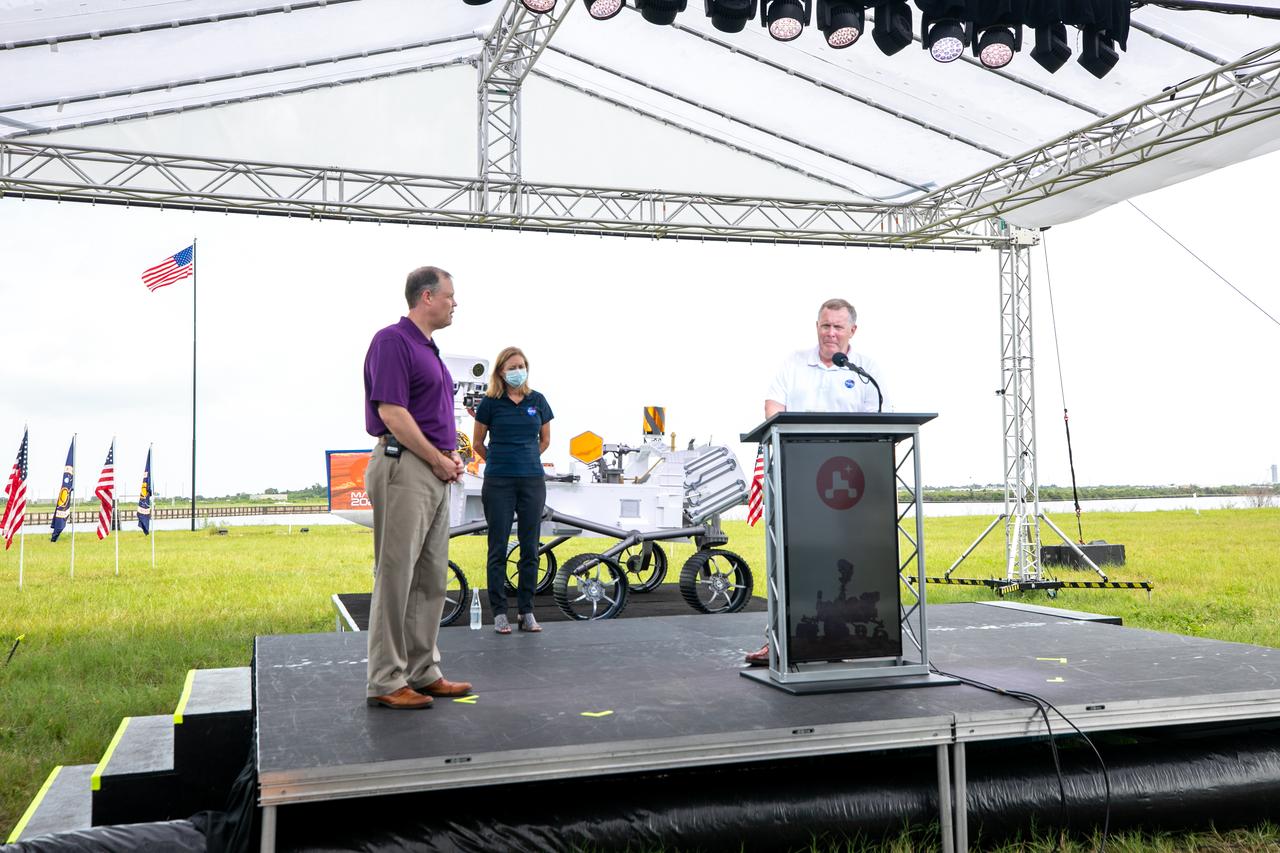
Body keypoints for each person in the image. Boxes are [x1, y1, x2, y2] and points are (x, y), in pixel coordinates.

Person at [745, 298, 889, 666]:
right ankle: (777, 641)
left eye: (838, 327)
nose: (831, 333)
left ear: (852, 331)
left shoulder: (865, 369)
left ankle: (841, 640)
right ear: (817, 327)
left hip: (848, 491)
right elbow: (772, 408)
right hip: (800, 480)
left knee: (846, 565)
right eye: (825, 325)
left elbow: (874, 423)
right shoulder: (795, 363)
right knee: (794, 562)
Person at [362, 266, 473, 709]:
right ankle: (387, 680)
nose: (454, 303)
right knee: (396, 576)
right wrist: (435, 458)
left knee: (429, 577)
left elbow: (432, 418)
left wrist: (450, 456)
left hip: (432, 469)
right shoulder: (393, 341)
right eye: (450, 296)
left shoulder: (431, 351)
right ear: (426, 297)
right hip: (403, 467)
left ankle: (422, 670)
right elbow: (392, 413)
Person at [472, 346, 554, 634]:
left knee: (530, 548)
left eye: (522, 365)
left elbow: (544, 440)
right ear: (501, 372)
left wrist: (528, 456)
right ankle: (499, 612)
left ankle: (527, 611)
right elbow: (478, 444)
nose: (518, 371)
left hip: (532, 480)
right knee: (497, 547)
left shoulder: (538, 400)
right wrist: (498, 460)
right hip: (498, 482)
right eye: (512, 367)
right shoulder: (490, 403)